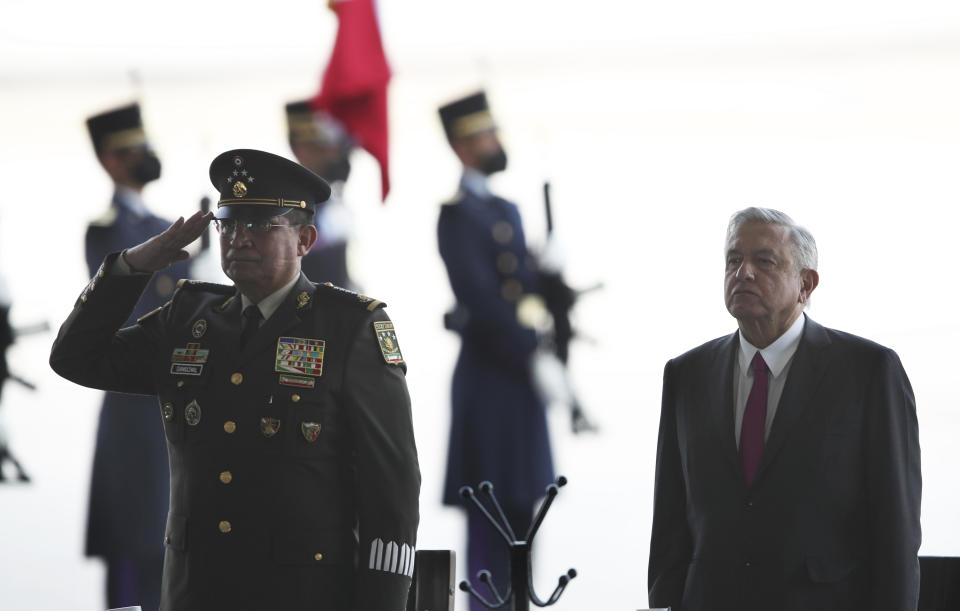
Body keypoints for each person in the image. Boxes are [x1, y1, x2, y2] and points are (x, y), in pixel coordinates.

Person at [51, 148, 420, 610]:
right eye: (229, 224)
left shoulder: (349, 329)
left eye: (262, 225)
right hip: (198, 593)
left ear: (305, 239)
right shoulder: (188, 319)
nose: (240, 239)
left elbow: (392, 496)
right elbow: (75, 358)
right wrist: (131, 268)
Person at [648, 207, 921, 611]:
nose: (744, 273)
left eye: (764, 261)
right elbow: (669, 524)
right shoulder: (687, 374)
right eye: (734, 260)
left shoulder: (868, 371)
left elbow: (896, 531)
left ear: (805, 284)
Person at [437, 91, 566, 605]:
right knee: (489, 514)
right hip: (491, 380)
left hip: (518, 383)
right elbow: (483, 299)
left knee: (524, 514)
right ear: (462, 144)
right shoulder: (457, 215)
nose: (495, 142)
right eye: (484, 134)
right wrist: (530, 346)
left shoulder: (506, 207)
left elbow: (525, 292)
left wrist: (552, 281)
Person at [83, 102, 191, 611]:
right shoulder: (108, 231)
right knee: (132, 551)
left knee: (172, 556)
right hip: (133, 412)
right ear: (109, 160)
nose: (145, 158)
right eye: (132, 151)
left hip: (170, 412)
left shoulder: (164, 225)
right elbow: (128, 314)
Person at [285, 100, 354, 288]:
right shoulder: (288, 207)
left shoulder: (332, 200)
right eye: (324, 147)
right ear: (302, 149)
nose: (335, 155)